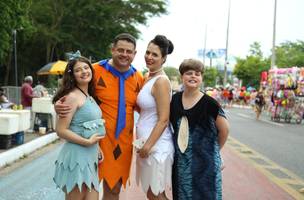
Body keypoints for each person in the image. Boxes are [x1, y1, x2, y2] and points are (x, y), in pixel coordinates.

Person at [54, 33, 144, 200]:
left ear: (134, 54)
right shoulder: (93, 70)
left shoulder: (138, 78)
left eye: (129, 51)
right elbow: (72, 88)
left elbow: (145, 107)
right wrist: (58, 104)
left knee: (114, 189)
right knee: (81, 190)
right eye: (120, 50)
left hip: (121, 143)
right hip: (94, 141)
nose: (124, 54)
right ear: (112, 49)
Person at [169, 59, 229, 200]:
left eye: (197, 74)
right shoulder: (174, 100)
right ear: (181, 77)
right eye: (189, 73)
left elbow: (225, 130)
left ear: (201, 78)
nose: (193, 76)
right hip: (181, 163)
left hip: (206, 164)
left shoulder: (210, 104)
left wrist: (214, 151)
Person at [52, 53, 105, 200]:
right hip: (76, 158)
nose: (84, 72)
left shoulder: (90, 96)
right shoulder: (72, 97)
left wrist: (97, 147)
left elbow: (89, 127)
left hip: (90, 156)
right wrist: (87, 142)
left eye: (86, 68)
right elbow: (61, 130)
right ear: (72, 75)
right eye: (78, 70)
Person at [135, 35, 174, 199]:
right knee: (152, 192)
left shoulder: (161, 82)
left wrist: (148, 146)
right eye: (148, 52)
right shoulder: (148, 77)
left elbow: (164, 119)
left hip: (157, 147)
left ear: (163, 59)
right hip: (147, 144)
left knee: (156, 193)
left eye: (155, 55)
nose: (149, 57)